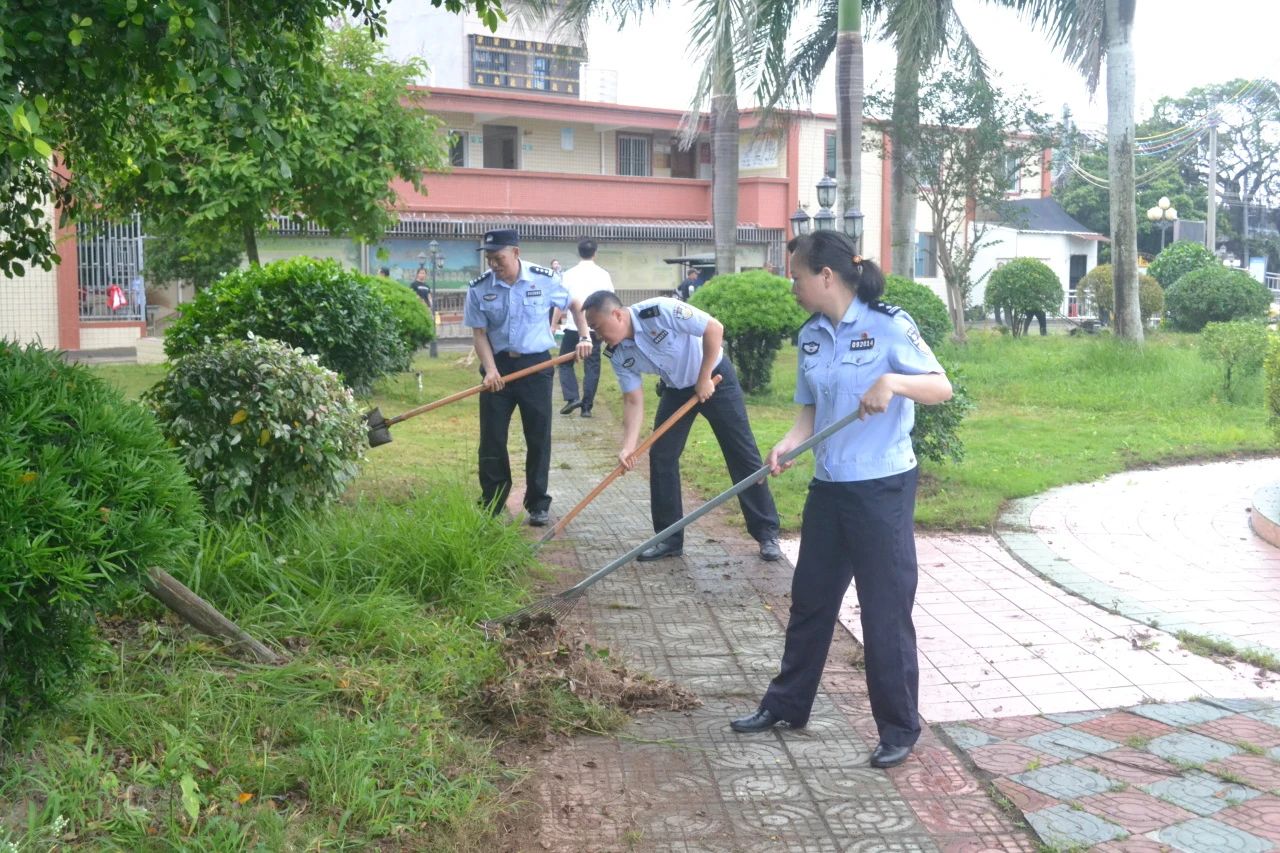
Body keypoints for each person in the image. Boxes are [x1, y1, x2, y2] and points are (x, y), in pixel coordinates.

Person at [727, 231, 952, 772]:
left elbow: (941, 386)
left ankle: (899, 728)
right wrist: (787, 443)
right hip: (829, 485)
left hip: (881, 488)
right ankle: (787, 705)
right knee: (811, 600)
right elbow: (809, 413)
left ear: (825, 276)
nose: (792, 286)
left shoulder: (888, 324)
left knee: (884, 610)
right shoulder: (810, 336)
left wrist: (894, 382)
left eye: (797, 276)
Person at [582, 291, 783, 562]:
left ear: (617, 315)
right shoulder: (618, 354)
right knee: (662, 456)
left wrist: (704, 378)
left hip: (714, 377)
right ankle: (668, 538)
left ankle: (766, 532)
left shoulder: (659, 311)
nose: (596, 336)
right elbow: (632, 400)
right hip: (677, 391)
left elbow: (714, 328)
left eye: (596, 327)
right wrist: (628, 447)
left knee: (741, 453)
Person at [464, 228, 592, 525]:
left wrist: (584, 336)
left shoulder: (544, 278)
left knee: (537, 435)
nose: (494, 264)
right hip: (498, 369)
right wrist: (491, 369)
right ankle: (493, 501)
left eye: (499, 258)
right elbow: (479, 333)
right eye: (489, 259)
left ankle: (537, 503)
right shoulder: (479, 288)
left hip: (536, 368)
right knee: (492, 437)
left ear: (516, 253)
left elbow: (575, 303)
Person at [556, 238, 614, 418]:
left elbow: (560, 302)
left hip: (573, 327)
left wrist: (553, 324)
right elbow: (610, 301)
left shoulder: (568, 274)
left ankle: (571, 397)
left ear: (578, 252)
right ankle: (587, 407)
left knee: (564, 363)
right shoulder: (603, 275)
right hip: (595, 328)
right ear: (595, 253)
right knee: (592, 367)